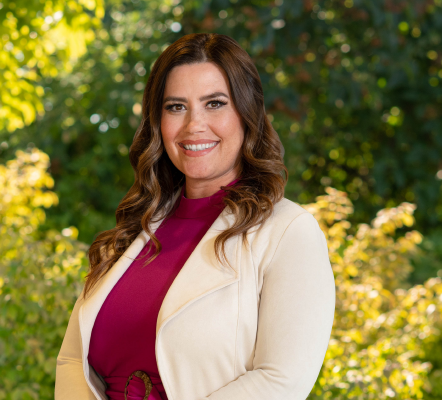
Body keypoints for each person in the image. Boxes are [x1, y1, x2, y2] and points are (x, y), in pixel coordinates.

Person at [55, 32, 336, 400]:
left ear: (247, 113)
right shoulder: (135, 229)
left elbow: (280, 381)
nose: (194, 125)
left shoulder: (288, 232)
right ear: (158, 121)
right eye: (176, 107)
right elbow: (72, 361)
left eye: (215, 103)